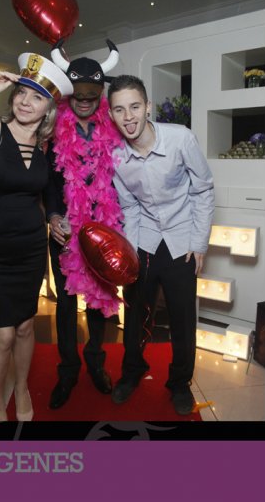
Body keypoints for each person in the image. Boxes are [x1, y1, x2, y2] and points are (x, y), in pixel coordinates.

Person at [0, 53, 73, 422]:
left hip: (30, 249)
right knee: (1, 335)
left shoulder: (47, 148)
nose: (25, 101)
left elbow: (48, 195)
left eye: (37, 97)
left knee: (27, 325)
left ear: (49, 109)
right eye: (21, 93)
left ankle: (22, 387)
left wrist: (56, 218)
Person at [107, 74, 214, 415]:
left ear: (148, 106)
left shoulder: (181, 138)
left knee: (183, 317)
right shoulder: (115, 155)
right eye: (119, 109)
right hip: (144, 239)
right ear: (111, 114)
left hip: (183, 240)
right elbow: (128, 206)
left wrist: (199, 243)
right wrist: (131, 254)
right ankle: (132, 372)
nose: (128, 117)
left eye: (135, 106)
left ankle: (180, 382)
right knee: (135, 313)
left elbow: (203, 189)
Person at [44, 41, 124, 409]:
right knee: (65, 303)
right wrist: (52, 215)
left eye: (92, 95)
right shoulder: (52, 126)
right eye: (78, 94)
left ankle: (95, 361)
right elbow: (47, 180)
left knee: (99, 299)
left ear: (100, 94)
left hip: (104, 228)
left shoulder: (115, 126)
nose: (84, 101)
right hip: (64, 228)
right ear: (69, 92)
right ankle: (67, 371)